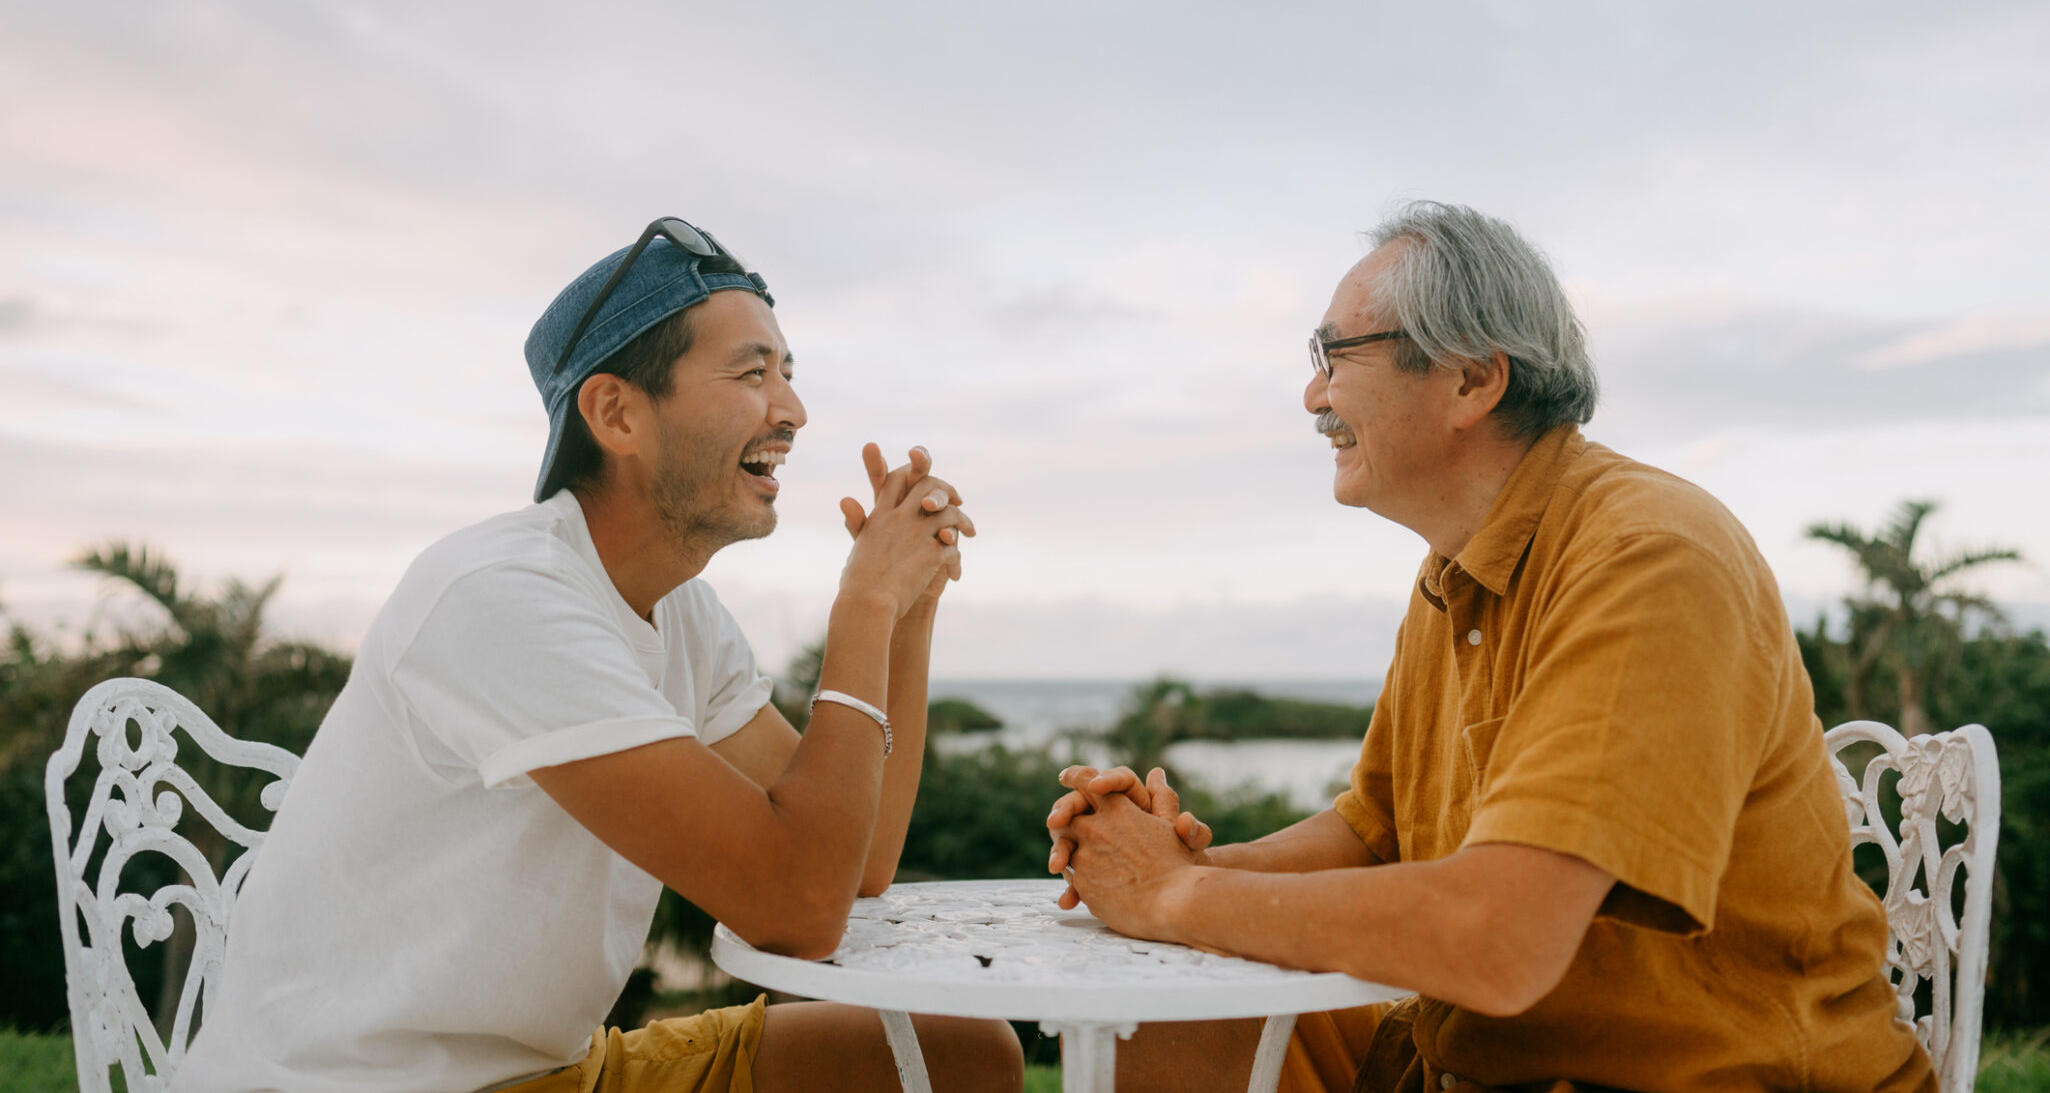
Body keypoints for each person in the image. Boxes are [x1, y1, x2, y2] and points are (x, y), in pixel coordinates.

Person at [1045, 202, 1932, 1093]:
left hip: (1701, 1075)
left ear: (1471, 379)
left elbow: (1502, 937)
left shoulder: (1649, 555)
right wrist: (1181, 862)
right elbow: (1374, 830)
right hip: (1462, 1062)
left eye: (1334, 355)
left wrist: (1174, 897)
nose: (1313, 395)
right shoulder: (1452, 574)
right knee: (1152, 1035)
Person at [176, 217, 1023, 1093]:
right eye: (752, 372)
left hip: (558, 1070)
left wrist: (907, 615)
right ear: (616, 411)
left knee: (959, 1052)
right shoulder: (501, 597)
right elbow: (798, 908)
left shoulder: (682, 613)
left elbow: (859, 863)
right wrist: (864, 600)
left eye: (789, 373)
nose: (793, 410)